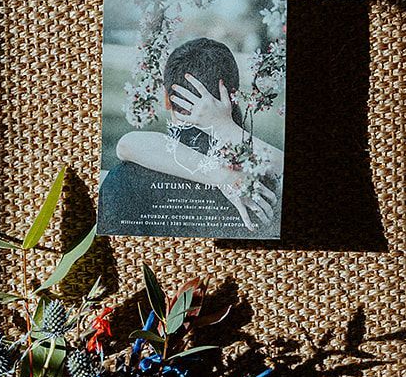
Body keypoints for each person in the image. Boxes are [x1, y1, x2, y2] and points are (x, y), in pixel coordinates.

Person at [100, 38, 283, 235]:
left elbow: (126, 144)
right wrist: (222, 164)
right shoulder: (261, 179)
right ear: (234, 97)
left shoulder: (125, 178)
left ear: (166, 100)